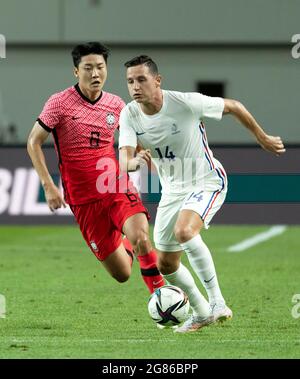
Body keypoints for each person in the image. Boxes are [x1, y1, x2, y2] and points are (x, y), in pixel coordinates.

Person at [118, 55, 286, 333]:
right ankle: (201, 313)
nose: (135, 86)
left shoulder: (184, 102)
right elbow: (124, 159)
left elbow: (233, 106)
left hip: (206, 180)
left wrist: (262, 137)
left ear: (157, 80)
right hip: (172, 191)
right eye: (130, 81)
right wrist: (135, 162)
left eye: (141, 79)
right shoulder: (129, 114)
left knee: (185, 231)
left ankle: (218, 302)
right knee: (166, 264)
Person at [27, 43, 165, 296]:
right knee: (122, 273)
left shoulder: (115, 104)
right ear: (75, 71)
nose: (95, 74)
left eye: (100, 67)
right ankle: (123, 237)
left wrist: (155, 162)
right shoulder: (59, 103)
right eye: (88, 68)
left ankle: (162, 296)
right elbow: (33, 141)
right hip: (84, 200)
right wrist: (48, 186)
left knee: (142, 238)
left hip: (115, 185)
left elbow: (136, 140)